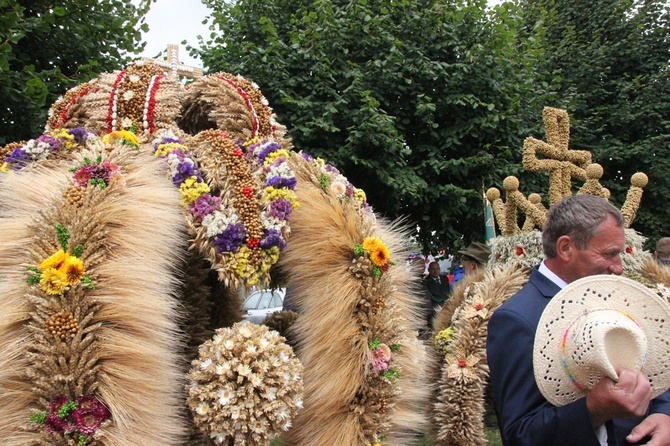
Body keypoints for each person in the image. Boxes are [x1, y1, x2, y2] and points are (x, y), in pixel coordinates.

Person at [486, 194, 670, 446]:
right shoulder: (517, 319)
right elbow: (520, 435)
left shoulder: (614, 295)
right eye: (609, 254)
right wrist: (592, 409)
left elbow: (654, 367)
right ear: (565, 248)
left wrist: (664, 412)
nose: (619, 268)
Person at [424, 261, 449, 328]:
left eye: (437, 269)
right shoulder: (426, 281)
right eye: (433, 269)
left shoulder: (444, 279)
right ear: (429, 270)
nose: (435, 271)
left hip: (446, 308)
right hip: (434, 310)